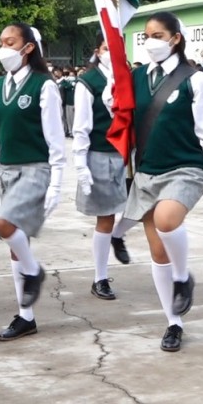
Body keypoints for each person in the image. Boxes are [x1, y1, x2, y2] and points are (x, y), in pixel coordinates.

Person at [125, 11, 203, 353]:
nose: (150, 41)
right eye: (146, 36)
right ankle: (173, 321)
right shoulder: (137, 77)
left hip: (186, 166)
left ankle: (184, 279)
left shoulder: (193, 79)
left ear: (175, 39)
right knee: (158, 253)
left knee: (167, 220)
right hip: (147, 169)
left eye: (158, 35)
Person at [0, 22, 65, 341]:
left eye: (10, 42)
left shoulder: (43, 85)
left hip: (35, 168)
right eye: (1, 42)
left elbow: (56, 140)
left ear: (28, 47)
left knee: (4, 225)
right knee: (16, 247)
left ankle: (35, 272)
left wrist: (57, 183)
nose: (4, 49)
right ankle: (26, 316)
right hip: (6, 169)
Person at [72, 34, 136, 301]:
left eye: (116, 48)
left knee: (145, 207)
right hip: (101, 153)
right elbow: (81, 125)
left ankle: (117, 236)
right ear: (97, 51)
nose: (111, 52)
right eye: (106, 48)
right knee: (106, 218)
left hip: (130, 152)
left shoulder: (129, 78)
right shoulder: (89, 82)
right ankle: (100, 278)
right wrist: (80, 163)